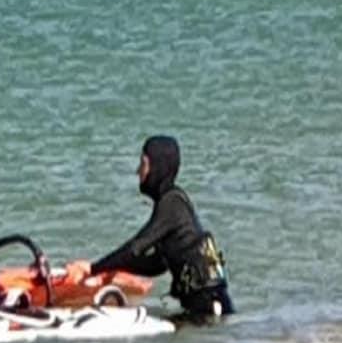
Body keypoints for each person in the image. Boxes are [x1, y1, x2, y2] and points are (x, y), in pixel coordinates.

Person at [68, 135, 233, 321]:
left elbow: (135, 248)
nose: (138, 171)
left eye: (143, 164)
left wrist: (92, 269)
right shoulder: (174, 202)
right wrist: (113, 268)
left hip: (210, 308)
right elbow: (156, 264)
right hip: (206, 305)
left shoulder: (172, 203)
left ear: (157, 168)